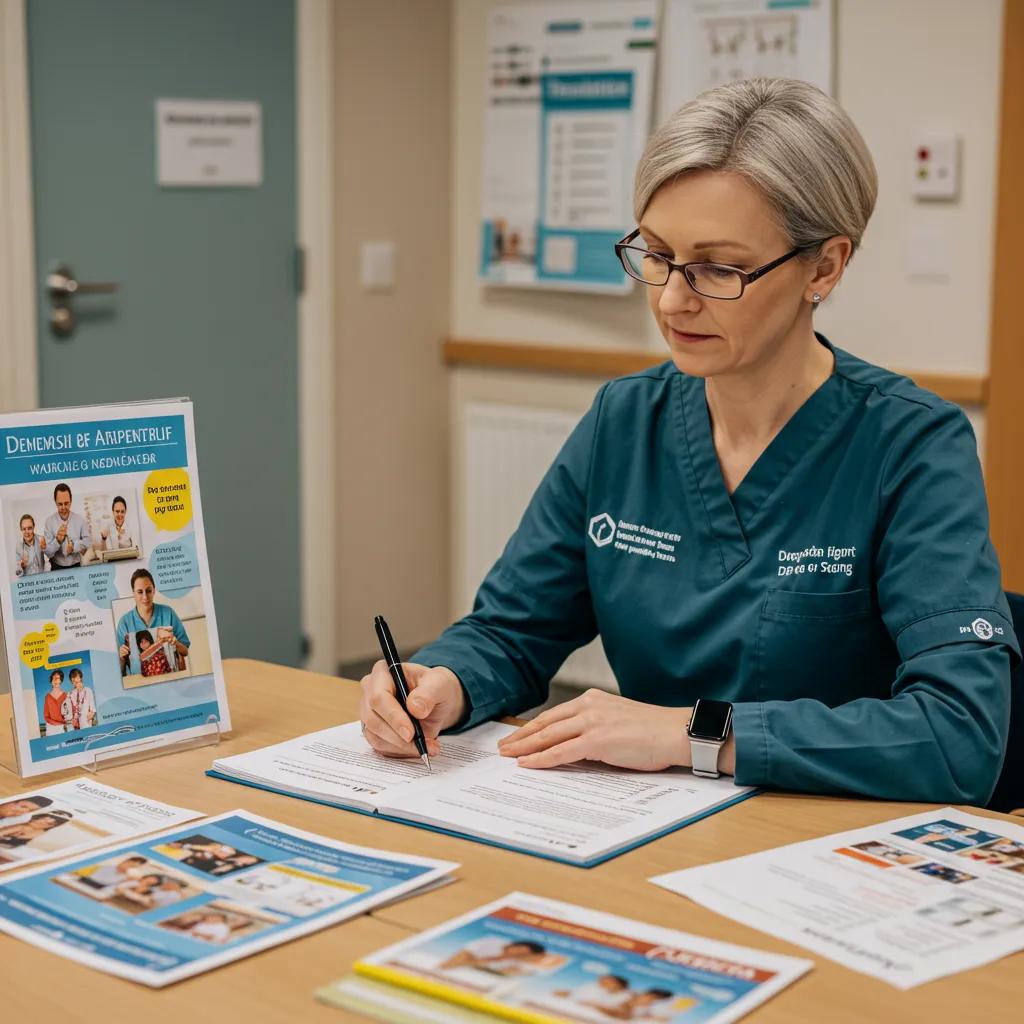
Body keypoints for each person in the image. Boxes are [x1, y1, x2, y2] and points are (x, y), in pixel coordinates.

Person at [360, 77, 1018, 806]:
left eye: (719, 268)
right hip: (643, 826)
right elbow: (513, 630)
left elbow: (960, 732)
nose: (673, 299)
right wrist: (441, 682)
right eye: (658, 254)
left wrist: (691, 736)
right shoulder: (625, 420)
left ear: (825, 267)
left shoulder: (910, 444)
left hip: (819, 841)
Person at [116, 568, 190, 674]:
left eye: (149, 590)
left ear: (154, 590)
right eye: (140, 592)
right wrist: (122, 658)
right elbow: (119, 671)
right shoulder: (124, 623)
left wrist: (175, 643)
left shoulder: (168, 613)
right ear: (133, 593)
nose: (145, 596)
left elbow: (185, 651)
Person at [440, 938, 547, 976]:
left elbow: (508, 973)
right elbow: (461, 956)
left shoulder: (518, 963)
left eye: (523, 955)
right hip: (453, 967)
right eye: (518, 950)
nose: (516, 954)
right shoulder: (491, 942)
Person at [44, 483, 89, 570]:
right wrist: (57, 541)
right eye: (60, 504)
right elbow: (48, 553)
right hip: (56, 568)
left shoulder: (80, 520)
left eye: (66, 503)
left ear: (71, 501)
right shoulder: (49, 522)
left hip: (76, 567)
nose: (64, 507)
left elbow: (87, 543)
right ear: (55, 502)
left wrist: (74, 547)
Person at [0, 810, 72, 849]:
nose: (38, 821)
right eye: (39, 818)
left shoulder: (47, 836)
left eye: (48, 823)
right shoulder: (22, 825)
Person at [42, 670, 71, 736]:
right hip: (50, 729)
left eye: (57, 678)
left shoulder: (65, 695)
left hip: (62, 728)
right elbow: (46, 716)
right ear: (51, 681)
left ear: (60, 680)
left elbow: (68, 714)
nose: (55, 680)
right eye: (53, 678)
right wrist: (56, 723)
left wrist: (64, 724)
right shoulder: (47, 697)